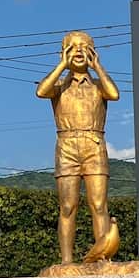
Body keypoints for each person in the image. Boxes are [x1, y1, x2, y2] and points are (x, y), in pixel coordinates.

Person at [36, 30, 121, 265]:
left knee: (99, 204)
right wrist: (61, 65)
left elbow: (114, 94)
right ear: (63, 53)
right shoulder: (59, 86)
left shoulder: (98, 85)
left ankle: (102, 257)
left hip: (95, 144)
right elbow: (41, 91)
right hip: (67, 146)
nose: (79, 52)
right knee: (67, 205)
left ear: (93, 52)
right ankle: (66, 261)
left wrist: (98, 68)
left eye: (84, 47)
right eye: (72, 47)